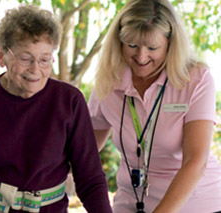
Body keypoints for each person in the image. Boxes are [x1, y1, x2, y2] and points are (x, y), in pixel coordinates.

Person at [0, 4, 112, 213]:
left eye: (44, 59)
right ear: (2, 55)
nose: (35, 70)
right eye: (26, 58)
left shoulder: (69, 101)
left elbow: (90, 179)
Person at [88, 0, 221, 212]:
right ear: (119, 42)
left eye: (152, 48)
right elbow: (86, 146)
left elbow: (196, 161)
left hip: (193, 203)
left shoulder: (196, 79)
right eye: (132, 45)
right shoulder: (109, 79)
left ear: (170, 44)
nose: (141, 57)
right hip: (130, 202)